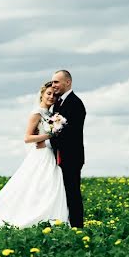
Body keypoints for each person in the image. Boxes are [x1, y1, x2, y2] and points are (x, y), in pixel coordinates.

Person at [0, 81, 69, 229]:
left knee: (49, 187)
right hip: (40, 155)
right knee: (35, 186)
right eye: (48, 93)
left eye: (54, 95)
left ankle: (49, 219)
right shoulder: (37, 113)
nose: (51, 97)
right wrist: (50, 135)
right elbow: (27, 138)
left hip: (49, 154)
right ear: (42, 94)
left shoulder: (51, 115)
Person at [49, 70, 87, 228]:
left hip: (71, 157)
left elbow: (71, 134)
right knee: (61, 193)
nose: (53, 85)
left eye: (56, 82)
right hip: (59, 156)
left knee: (72, 194)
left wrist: (51, 139)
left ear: (68, 82)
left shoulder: (75, 103)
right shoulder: (58, 103)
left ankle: (78, 227)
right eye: (52, 82)